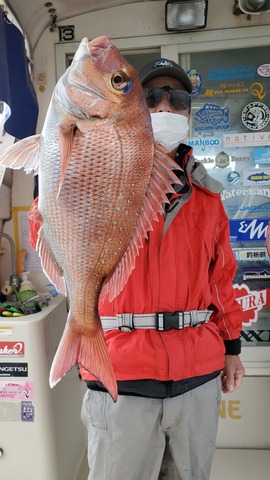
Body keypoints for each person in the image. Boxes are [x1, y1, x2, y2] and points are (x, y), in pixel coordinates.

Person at [80, 58, 245, 480]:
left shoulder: (209, 198)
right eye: (152, 98)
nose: (165, 108)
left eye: (179, 99)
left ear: (189, 112)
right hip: (121, 377)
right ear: (134, 107)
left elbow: (222, 280)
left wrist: (232, 350)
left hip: (198, 378)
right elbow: (54, 225)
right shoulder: (100, 177)